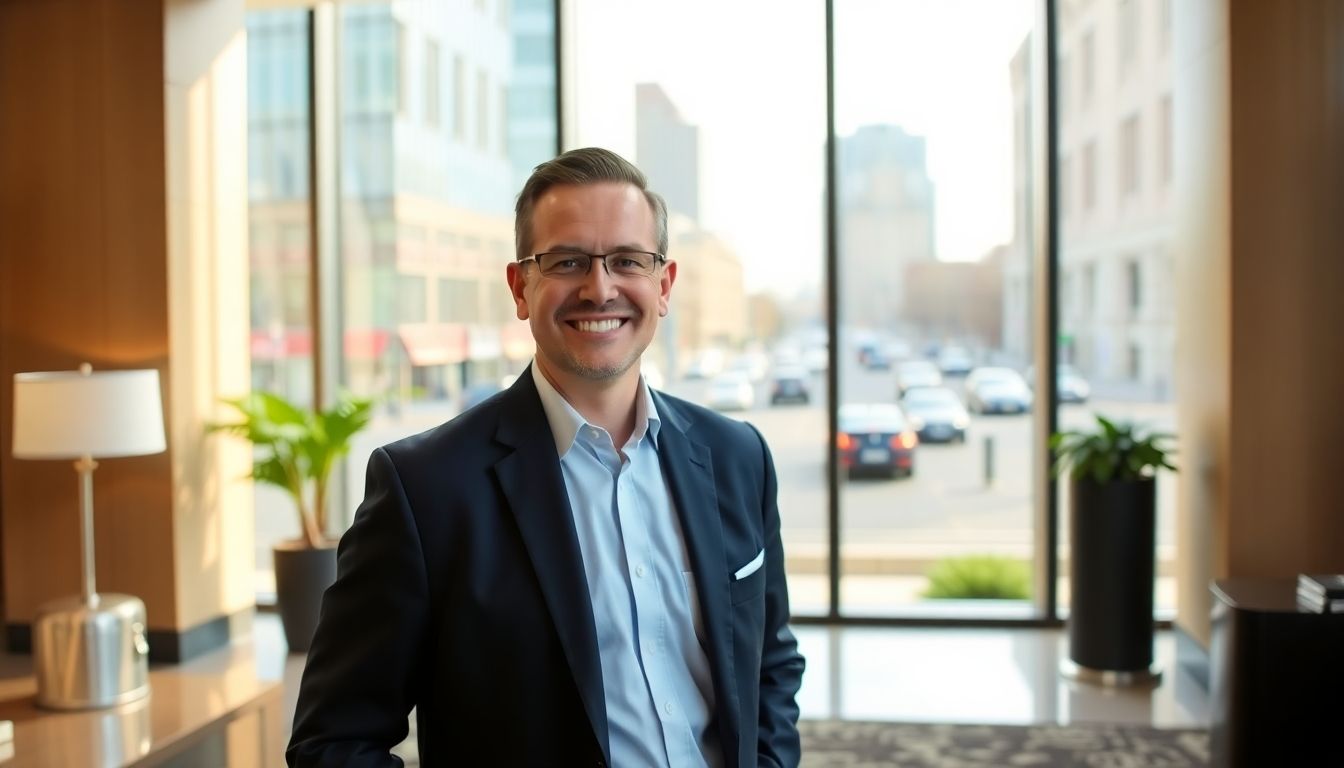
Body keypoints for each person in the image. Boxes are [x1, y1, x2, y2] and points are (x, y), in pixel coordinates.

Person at [287, 147, 805, 767]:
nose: (600, 287)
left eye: (627, 261)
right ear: (520, 286)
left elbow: (770, 667)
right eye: (567, 261)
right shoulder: (424, 491)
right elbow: (334, 742)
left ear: (663, 286)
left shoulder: (738, 457)